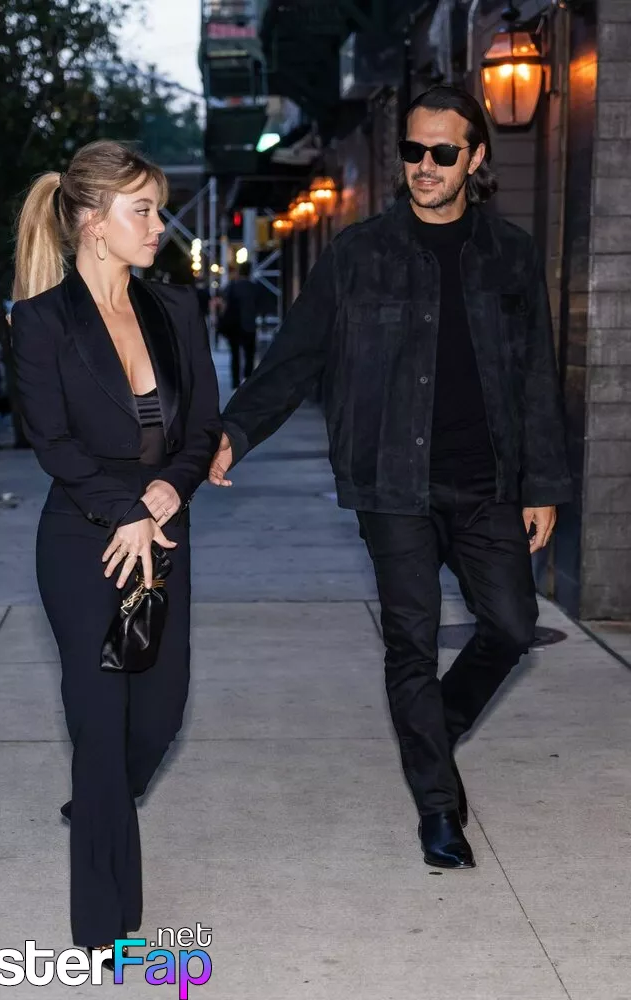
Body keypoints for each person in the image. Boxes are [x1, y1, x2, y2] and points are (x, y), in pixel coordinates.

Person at [209, 86, 571, 870]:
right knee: (410, 641)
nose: (425, 166)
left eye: (443, 152)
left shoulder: (509, 254)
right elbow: (296, 357)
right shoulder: (358, 255)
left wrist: (542, 483)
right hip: (393, 483)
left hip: (487, 484)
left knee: (512, 626)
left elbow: (535, 376)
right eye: (413, 150)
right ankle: (438, 808)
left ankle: (431, 729)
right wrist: (234, 432)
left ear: (476, 158)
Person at [11, 140, 221, 959]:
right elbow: (52, 443)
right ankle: (101, 930)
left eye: (157, 209)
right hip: (84, 542)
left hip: (162, 535)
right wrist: (123, 509)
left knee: (159, 713)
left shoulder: (176, 311)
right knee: (99, 724)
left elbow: (201, 427)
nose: (159, 225)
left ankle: (99, 803)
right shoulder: (41, 322)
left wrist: (171, 488)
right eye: (143, 210)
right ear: (95, 224)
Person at [220, 261, 259, 388]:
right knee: (249, 355)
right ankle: (248, 380)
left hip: (234, 325)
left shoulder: (232, 286)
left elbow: (223, 303)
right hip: (250, 325)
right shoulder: (254, 287)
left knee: (235, 355)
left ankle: (235, 382)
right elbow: (260, 306)